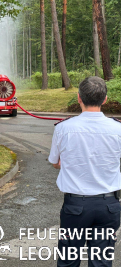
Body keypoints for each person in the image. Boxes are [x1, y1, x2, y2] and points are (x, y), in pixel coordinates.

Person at [48, 76, 121, 267]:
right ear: (105, 99)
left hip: (75, 207)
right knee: (102, 262)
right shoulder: (118, 129)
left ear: (79, 97)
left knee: (68, 261)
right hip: (109, 206)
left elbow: (55, 162)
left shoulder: (63, 129)